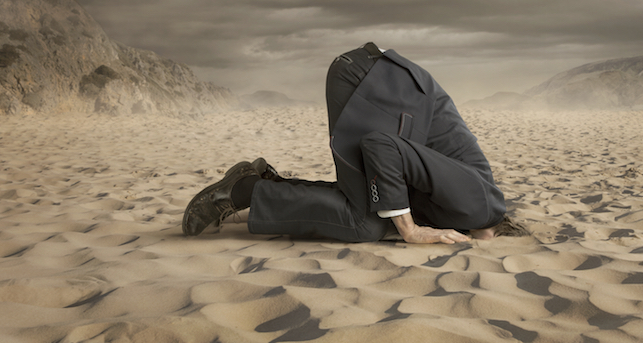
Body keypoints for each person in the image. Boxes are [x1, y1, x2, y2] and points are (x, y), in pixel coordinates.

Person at [183, 42, 527, 244]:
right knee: (367, 222)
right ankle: (241, 191)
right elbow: (382, 146)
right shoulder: (480, 206)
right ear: (496, 232)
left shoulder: (462, 207)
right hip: (370, 83)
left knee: (373, 210)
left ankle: (264, 185)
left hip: (379, 82)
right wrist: (410, 232)